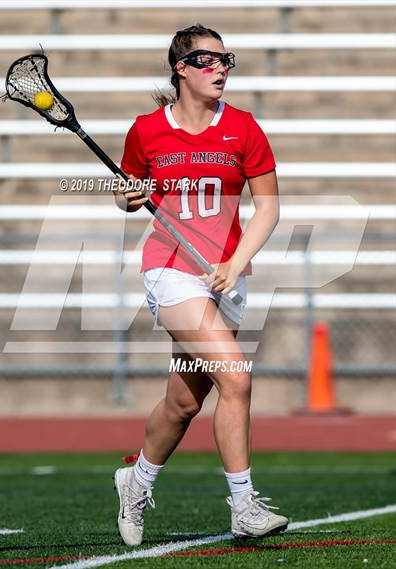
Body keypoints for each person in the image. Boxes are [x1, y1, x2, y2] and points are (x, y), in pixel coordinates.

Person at [112, 23, 288, 546]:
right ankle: (244, 506)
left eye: (226, 60)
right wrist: (128, 195)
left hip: (223, 276)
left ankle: (135, 480)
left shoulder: (244, 127)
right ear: (180, 68)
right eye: (209, 61)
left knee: (183, 404)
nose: (221, 70)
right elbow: (125, 194)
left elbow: (270, 207)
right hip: (169, 269)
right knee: (236, 377)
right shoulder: (146, 130)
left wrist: (235, 263)